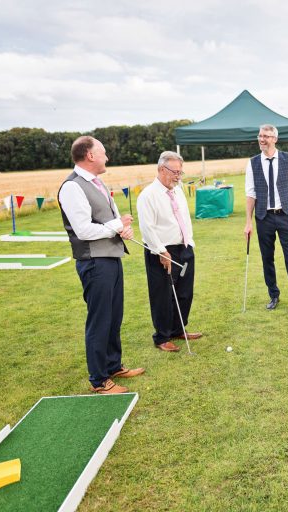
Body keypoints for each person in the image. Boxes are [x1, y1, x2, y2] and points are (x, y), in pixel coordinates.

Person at [58, 136, 144, 394]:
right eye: (103, 153)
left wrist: (122, 229)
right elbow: (83, 230)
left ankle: (113, 365)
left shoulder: (98, 182)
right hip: (94, 261)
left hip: (111, 256)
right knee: (100, 319)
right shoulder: (72, 187)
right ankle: (99, 380)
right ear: (90, 156)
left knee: (114, 315)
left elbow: (109, 220)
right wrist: (118, 226)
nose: (107, 157)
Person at [136, 151, 201, 353]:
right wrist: (161, 251)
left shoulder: (177, 190)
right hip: (162, 251)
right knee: (163, 295)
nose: (178, 176)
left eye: (180, 172)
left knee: (184, 292)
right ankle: (162, 336)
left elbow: (183, 218)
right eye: (175, 172)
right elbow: (147, 227)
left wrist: (188, 242)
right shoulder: (148, 195)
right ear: (161, 169)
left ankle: (177, 329)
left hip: (184, 246)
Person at [244, 124, 288, 316]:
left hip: (286, 216)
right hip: (263, 218)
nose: (261, 139)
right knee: (267, 259)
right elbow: (250, 193)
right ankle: (273, 295)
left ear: (275, 139)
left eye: (266, 136)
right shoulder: (253, 162)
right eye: (260, 135)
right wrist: (248, 221)